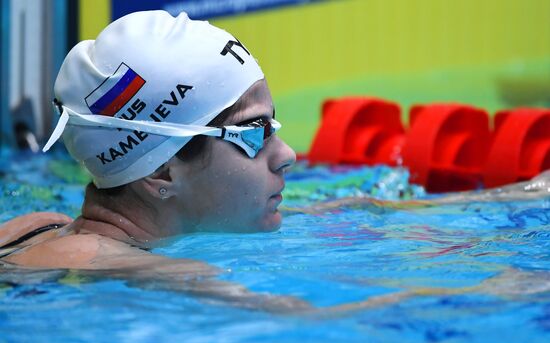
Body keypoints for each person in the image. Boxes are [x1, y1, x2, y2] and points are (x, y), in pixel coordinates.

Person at [1, 10, 548, 313]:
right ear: (161, 171)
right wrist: (493, 291)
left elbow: (356, 208)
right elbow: (308, 315)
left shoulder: (42, 226)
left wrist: (514, 193)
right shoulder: (102, 262)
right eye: (253, 133)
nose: (286, 156)